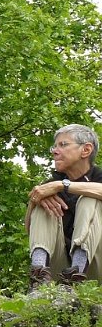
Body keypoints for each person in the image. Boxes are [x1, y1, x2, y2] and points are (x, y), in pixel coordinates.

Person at [26, 124, 102, 290]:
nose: (54, 151)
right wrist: (34, 200)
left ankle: (76, 276)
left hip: (97, 264)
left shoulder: (98, 176)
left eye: (63, 145)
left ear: (86, 150)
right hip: (60, 272)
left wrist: (63, 185)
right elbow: (29, 229)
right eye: (55, 146)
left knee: (90, 199)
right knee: (42, 203)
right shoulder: (50, 185)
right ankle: (38, 279)